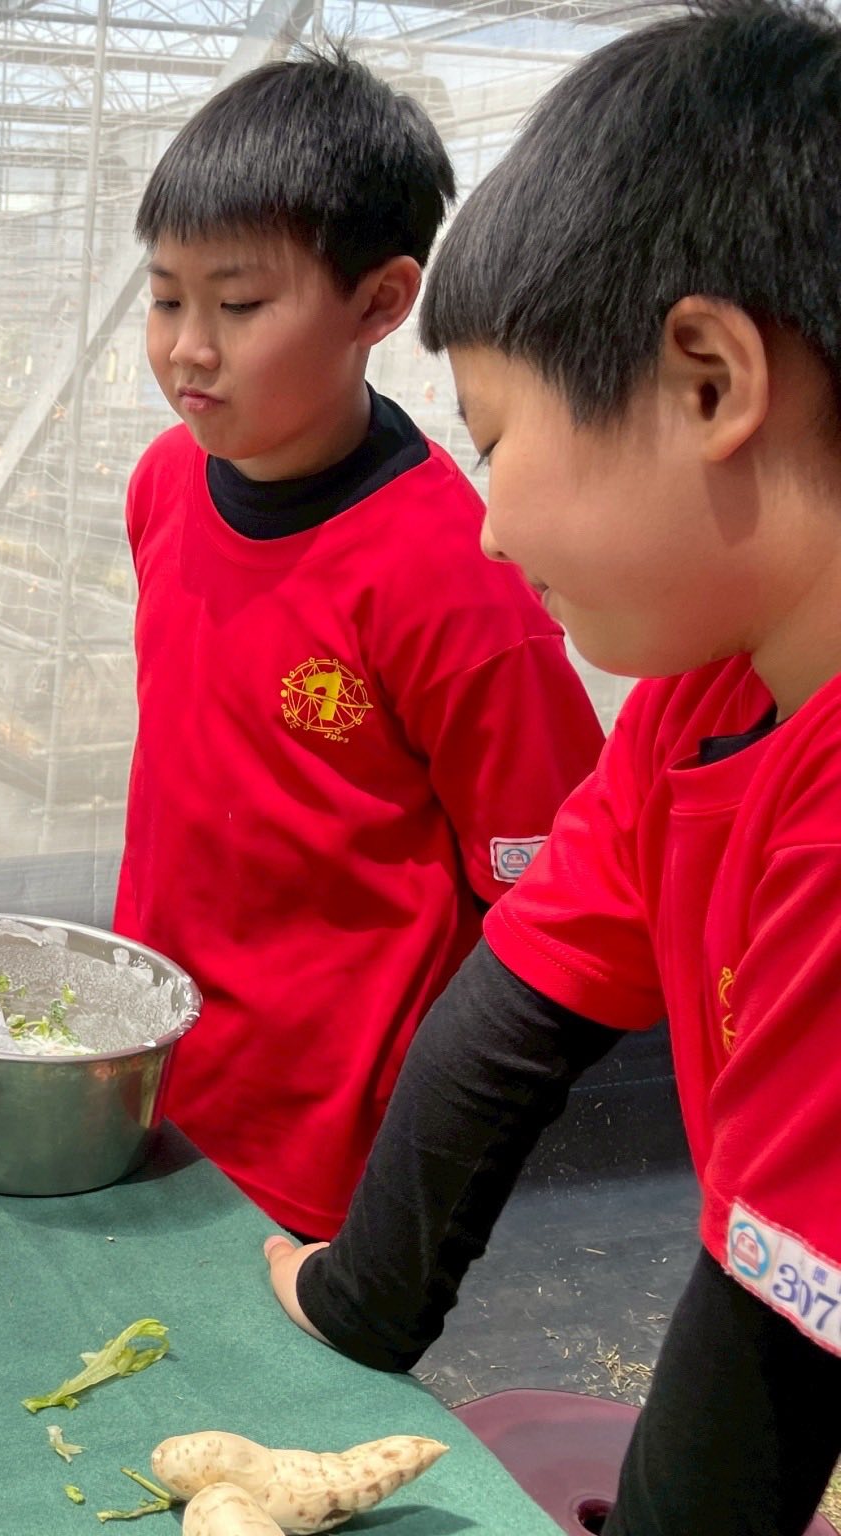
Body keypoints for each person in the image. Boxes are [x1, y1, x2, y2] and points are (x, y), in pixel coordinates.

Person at [263, 5, 841, 1530]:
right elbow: (519, 1008)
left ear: (709, 381)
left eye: (496, 438)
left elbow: (780, 1321)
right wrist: (361, 1296)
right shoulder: (699, 702)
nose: (489, 525)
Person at [117, 50, 604, 1239]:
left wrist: (432, 1151)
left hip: (323, 1140)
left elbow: (546, 895)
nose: (187, 346)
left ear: (380, 304)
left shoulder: (457, 581)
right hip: (142, 1065)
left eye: (237, 306)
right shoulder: (164, 484)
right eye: (166, 298)